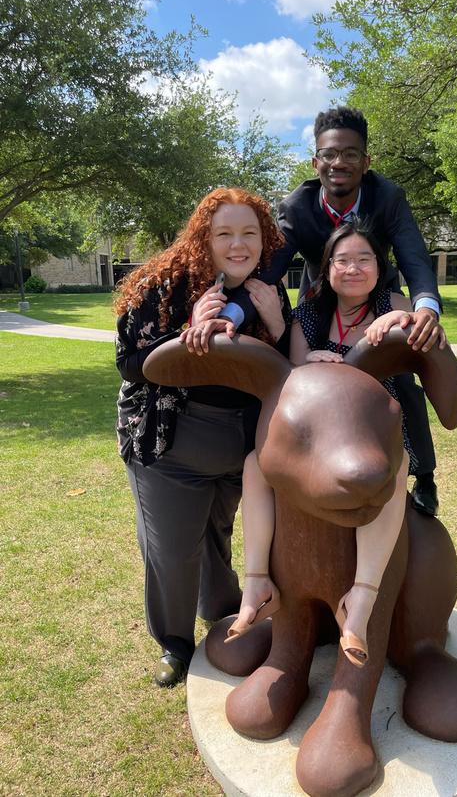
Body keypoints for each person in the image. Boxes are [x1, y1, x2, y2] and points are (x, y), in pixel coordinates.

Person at [190, 106, 446, 516]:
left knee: (401, 379)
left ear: (366, 162)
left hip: (378, 297)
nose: (338, 162)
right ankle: (306, 459)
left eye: (350, 154)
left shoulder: (389, 197)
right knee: (305, 376)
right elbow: (266, 273)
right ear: (315, 162)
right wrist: (231, 316)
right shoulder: (297, 206)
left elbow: (414, 258)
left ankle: (424, 474)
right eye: (329, 154)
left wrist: (426, 308)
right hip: (320, 299)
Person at [115, 188, 290, 687]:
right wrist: (186, 331)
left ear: (265, 238)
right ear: (203, 237)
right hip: (170, 440)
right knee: (173, 550)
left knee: (218, 534)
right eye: (224, 234)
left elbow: (284, 366)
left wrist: (277, 322)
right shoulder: (161, 285)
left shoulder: (267, 289)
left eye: (250, 233)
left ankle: (221, 609)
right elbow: (130, 363)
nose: (239, 245)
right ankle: (174, 642)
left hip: (239, 441)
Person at [226, 221, 418, 667]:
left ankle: (362, 598)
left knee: (397, 468)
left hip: (373, 430)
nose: (353, 269)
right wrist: (310, 360)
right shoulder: (310, 313)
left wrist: (402, 320)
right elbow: (293, 376)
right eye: (342, 260)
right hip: (320, 435)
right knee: (256, 463)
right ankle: (257, 582)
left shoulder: (394, 305)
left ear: (380, 267)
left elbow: (422, 342)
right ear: (327, 269)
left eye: (364, 259)